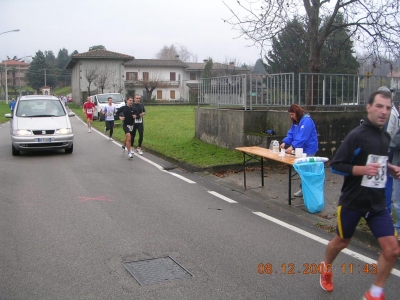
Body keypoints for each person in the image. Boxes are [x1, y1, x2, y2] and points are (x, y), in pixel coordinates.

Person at [319, 90, 400, 300]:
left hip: (377, 204)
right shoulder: (357, 136)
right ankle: (325, 267)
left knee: (391, 250)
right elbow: (336, 165)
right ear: (369, 107)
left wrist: (389, 168)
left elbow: (377, 161)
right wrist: (362, 170)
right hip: (353, 201)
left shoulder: (386, 137)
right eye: (379, 106)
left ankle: (375, 293)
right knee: (342, 242)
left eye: (388, 108)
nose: (384, 112)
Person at [280, 104, 318, 197]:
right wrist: (285, 142)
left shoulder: (306, 121)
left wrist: (292, 146)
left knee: (307, 170)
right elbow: (291, 134)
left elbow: (302, 137)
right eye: (290, 114)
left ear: (297, 113)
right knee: (303, 170)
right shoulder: (296, 122)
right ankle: (304, 189)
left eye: (292, 114)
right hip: (301, 149)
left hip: (309, 149)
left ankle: (308, 191)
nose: (291, 116)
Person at [381, 86, 398, 213]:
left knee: (387, 179)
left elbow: (389, 132)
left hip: (388, 149)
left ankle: (386, 208)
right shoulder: (394, 111)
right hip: (391, 148)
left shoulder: (391, 113)